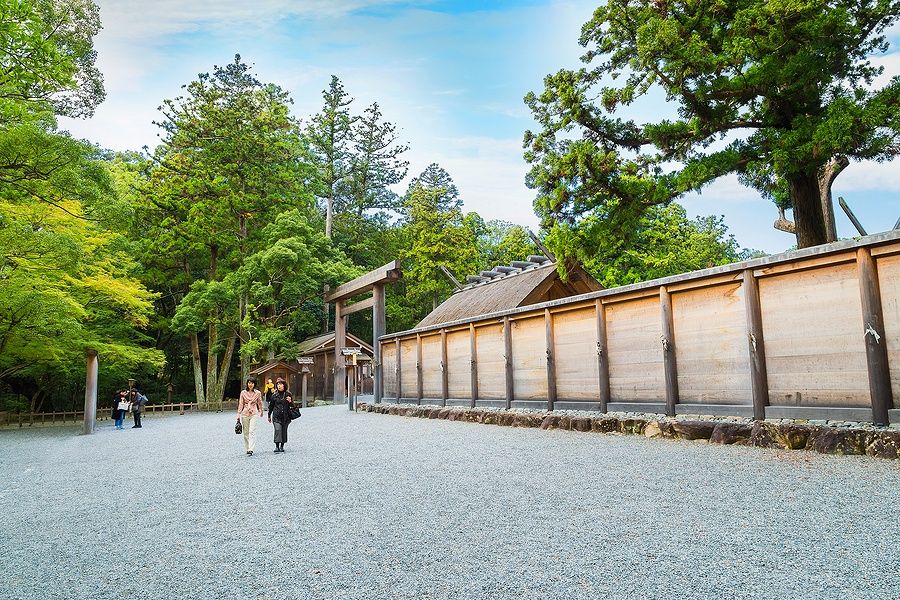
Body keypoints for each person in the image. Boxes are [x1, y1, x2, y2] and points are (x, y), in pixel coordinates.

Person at [236, 378, 263, 456]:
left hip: (254, 412)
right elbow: (241, 403)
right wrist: (238, 413)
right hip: (245, 413)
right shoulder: (243, 393)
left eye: (252, 383)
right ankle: (247, 448)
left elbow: (259, 402)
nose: (250, 384)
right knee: (246, 432)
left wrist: (261, 410)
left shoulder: (257, 393)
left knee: (252, 431)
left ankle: (251, 448)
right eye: (249, 383)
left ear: (254, 384)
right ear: (247, 384)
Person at [267, 377, 294, 453]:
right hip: (276, 416)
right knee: (278, 429)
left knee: (284, 431)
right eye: (278, 384)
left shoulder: (288, 394)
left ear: (284, 385)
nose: (279, 386)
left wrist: (290, 401)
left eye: (281, 384)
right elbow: (271, 406)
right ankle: (277, 446)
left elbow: (293, 406)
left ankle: (282, 446)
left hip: (286, 416)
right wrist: (269, 415)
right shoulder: (274, 395)